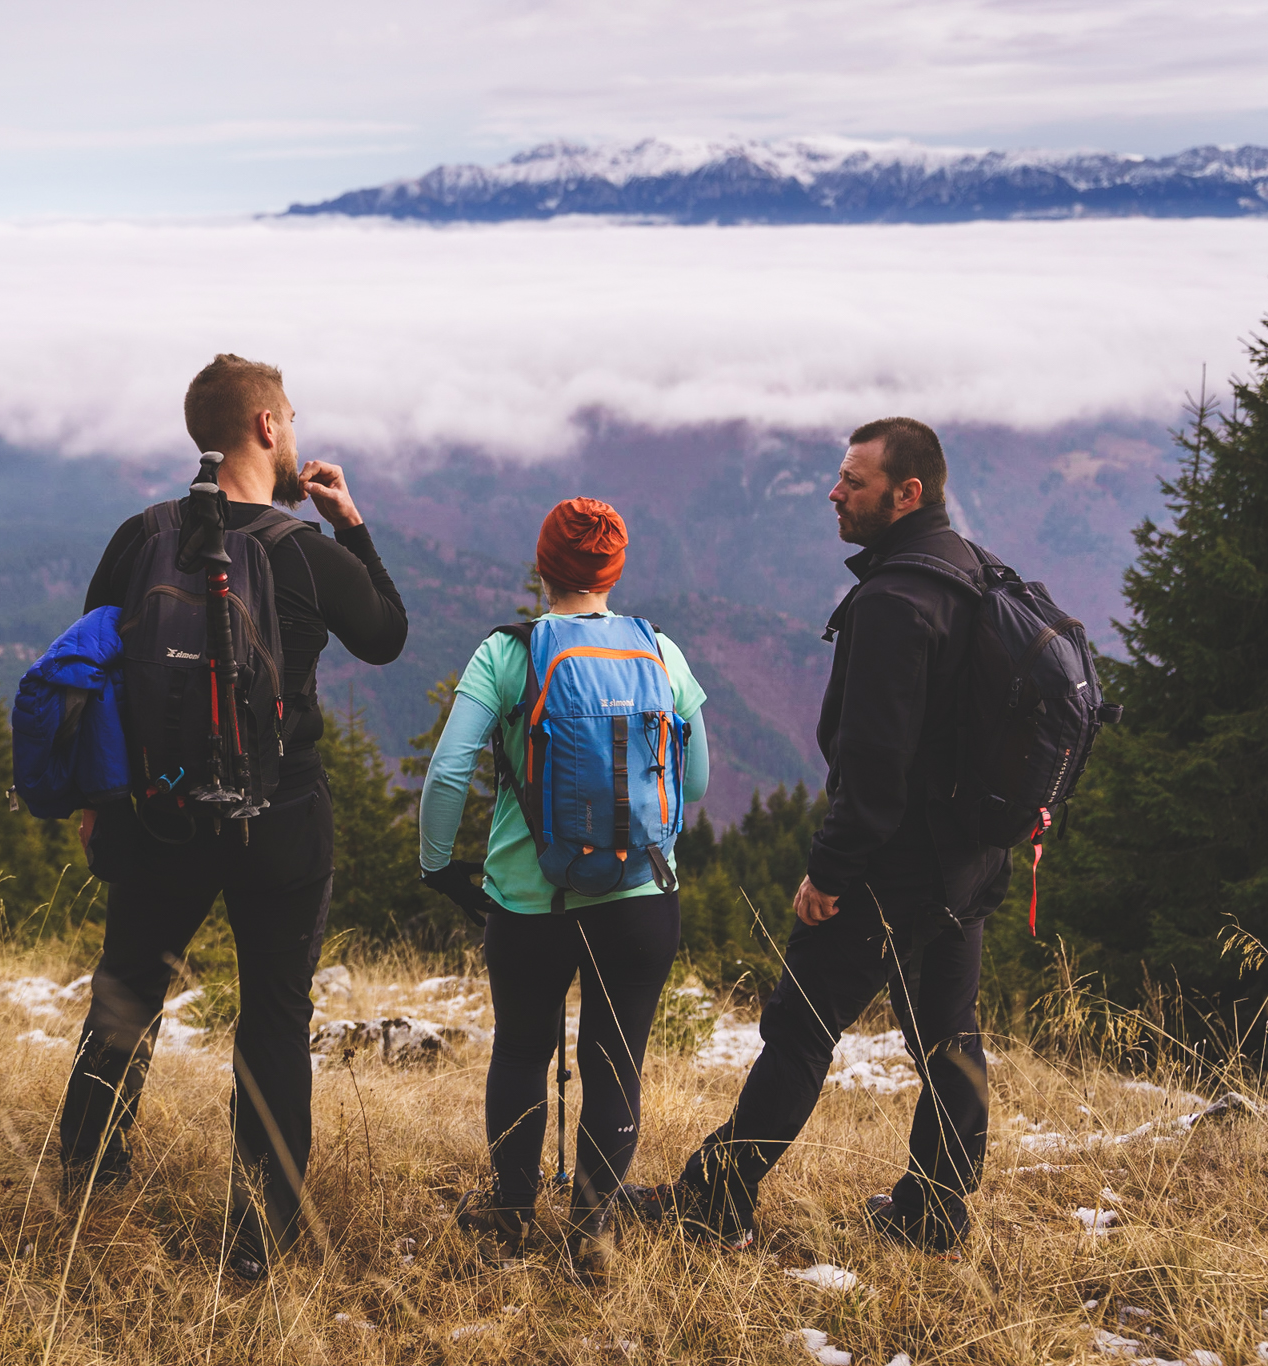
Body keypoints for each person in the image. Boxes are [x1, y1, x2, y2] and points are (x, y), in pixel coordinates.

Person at [623, 416, 1008, 1255]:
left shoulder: (894, 603)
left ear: (907, 494)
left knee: (799, 1031)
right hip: (967, 859)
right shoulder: (972, 572)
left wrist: (828, 875)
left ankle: (716, 1199)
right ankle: (936, 1210)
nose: (834, 492)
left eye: (854, 482)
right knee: (950, 1035)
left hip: (890, 868)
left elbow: (874, 769)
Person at [59, 354, 407, 1278]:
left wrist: (103, 802)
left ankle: (86, 1173)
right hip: (280, 815)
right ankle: (260, 1233)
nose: (294, 431)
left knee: (128, 989)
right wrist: (354, 525)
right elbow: (386, 635)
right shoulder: (304, 550)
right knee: (273, 1021)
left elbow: (96, 665)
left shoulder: (142, 534)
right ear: (263, 428)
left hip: (159, 812)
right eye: (288, 416)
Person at [418, 497, 710, 1280]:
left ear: (542, 566)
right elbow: (698, 777)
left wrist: (440, 863)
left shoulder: (508, 654)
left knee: (520, 1050)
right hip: (644, 897)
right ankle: (594, 1233)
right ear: (615, 569)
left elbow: (447, 771)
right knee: (616, 1061)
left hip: (530, 899)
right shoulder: (661, 651)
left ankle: (511, 1220)